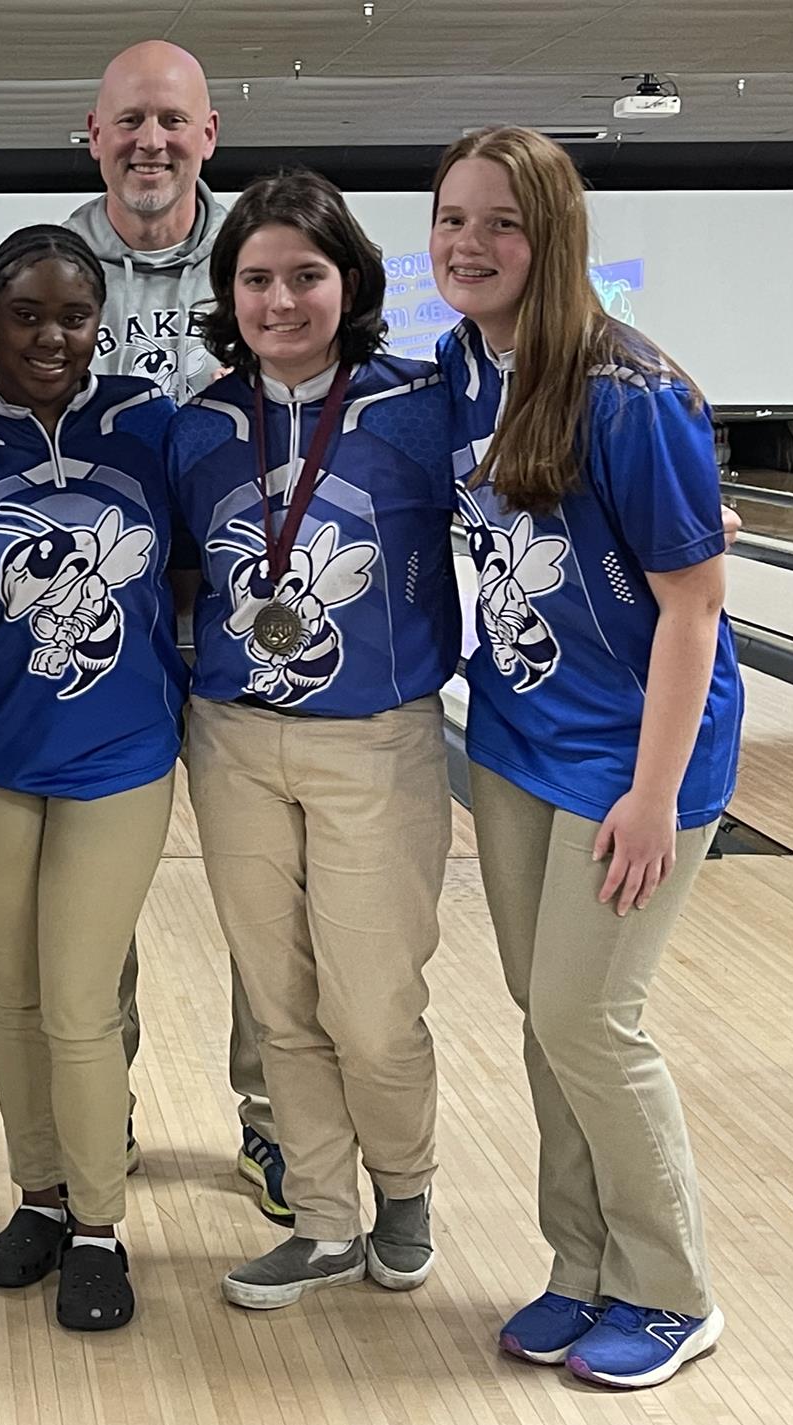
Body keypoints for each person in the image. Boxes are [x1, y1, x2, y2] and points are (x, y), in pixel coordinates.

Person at [433, 127, 740, 1390]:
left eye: (500, 222)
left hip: (636, 762)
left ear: (553, 237)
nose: (468, 243)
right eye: (451, 217)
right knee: (544, 1021)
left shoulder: (628, 393)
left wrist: (654, 797)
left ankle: (670, 1291)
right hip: (512, 744)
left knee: (588, 1019)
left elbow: (692, 608)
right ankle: (581, 1269)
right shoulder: (457, 369)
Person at [0, 37, 287, 1217]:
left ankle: (271, 1126)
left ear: (208, 134)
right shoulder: (48, 265)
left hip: (246, 628)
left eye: (172, 121)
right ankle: (102, 1113)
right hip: (106, 626)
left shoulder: (259, 252)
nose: (149, 142)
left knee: (263, 902)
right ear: (94, 137)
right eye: (127, 123)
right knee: (84, 935)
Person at [171, 171, 457, 1310]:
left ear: (351, 282)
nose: (279, 299)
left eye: (305, 275)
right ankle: (325, 1221)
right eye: (254, 279)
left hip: (375, 745)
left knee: (373, 1002)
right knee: (280, 1000)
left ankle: (405, 1194)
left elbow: (539, 494)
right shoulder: (194, 426)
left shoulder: (419, 408)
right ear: (226, 293)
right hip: (233, 739)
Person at [0, 224, 187, 1331]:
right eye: (28, 314)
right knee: (14, 994)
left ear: (102, 324)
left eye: (72, 316)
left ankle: (99, 1224)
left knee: (81, 1002)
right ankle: (36, 1201)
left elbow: (202, 556)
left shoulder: (150, 426)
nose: (51, 337)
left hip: (120, 754)